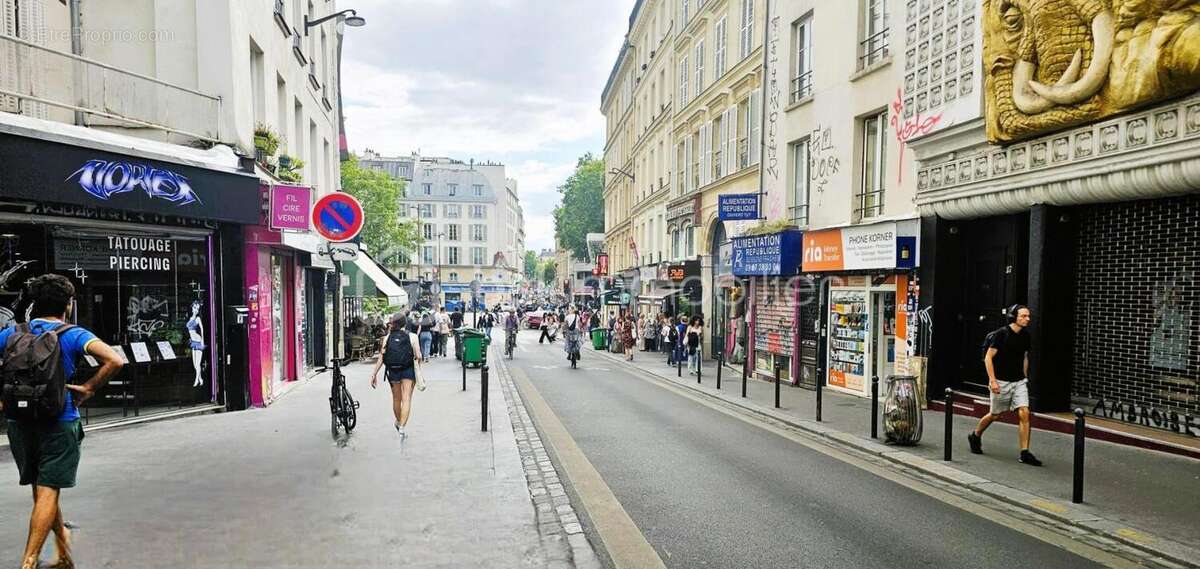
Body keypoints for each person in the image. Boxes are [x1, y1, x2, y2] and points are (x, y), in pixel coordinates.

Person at [1, 274, 124, 569]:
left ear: (33, 304)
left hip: (19, 421)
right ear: (67, 305)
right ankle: (29, 562)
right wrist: (89, 388)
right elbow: (115, 360)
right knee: (48, 488)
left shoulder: (12, 333)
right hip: (59, 418)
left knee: (41, 487)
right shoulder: (73, 334)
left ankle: (63, 553)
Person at [968, 305, 1041, 466]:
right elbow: (988, 358)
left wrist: (1025, 377)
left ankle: (1024, 452)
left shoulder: (1026, 336)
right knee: (995, 415)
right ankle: (975, 435)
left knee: (1024, 413)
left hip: (1019, 381)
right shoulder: (1001, 334)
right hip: (1001, 381)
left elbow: (1025, 357)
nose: (1027, 319)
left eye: (1028, 316)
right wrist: (992, 380)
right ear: (1013, 317)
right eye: (1023, 316)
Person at [370, 312, 423, 439]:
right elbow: (419, 356)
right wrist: (418, 367)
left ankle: (399, 422)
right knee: (406, 399)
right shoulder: (413, 336)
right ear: (405, 323)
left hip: (393, 370)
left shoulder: (387, 337)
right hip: (408, 370)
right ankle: (402, 428)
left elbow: (381, 357)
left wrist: (374, 374)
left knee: (396, 399)